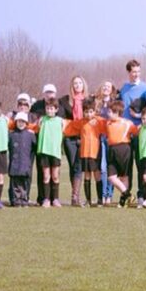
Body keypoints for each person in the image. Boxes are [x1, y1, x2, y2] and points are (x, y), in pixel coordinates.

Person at [63, 98, 106, 207]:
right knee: (87, 176)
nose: (88, 114)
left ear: (94, 111)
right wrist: (61, 122)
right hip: (84, 153)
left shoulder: (99, 121)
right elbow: (70, 126)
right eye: (86, 112)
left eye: (91, 111)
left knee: (97, 175)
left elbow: (108, 125)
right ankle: (88, 200)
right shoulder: (81, 122)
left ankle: (100, 200)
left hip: (95, 153)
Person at [119, 59, 146, 199]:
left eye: (138, 71)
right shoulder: (124, 88)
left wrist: (138, 116)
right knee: (126, 166)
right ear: (128, 72)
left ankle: (141, 195)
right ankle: (127, 194)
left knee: (140, 164)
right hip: (125, 133)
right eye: (133, 72)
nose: (136, 74)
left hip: (139, 132)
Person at [104, 100, 139, 208]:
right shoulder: (107, 123)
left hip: (124, 149)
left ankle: (123, 201)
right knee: (111, 177)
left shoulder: (127, 123)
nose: (108, 114)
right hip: (112, 150)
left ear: (117, 112)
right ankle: (128, 194)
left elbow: (136, 132)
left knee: (124, 177)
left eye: (110, 112)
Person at [59, 76, 87, 206]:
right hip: (70, 137)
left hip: (83, 137)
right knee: (72, 166)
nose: (77, 85)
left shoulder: (88, 100)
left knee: (78, 166)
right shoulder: (65, 101)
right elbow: (62, 118)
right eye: (75, 83)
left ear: (83, 84)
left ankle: (75, 197)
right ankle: (74, 196)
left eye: (79, 82)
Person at [8, 112, 36, 207]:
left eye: (23, 122)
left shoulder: (30, 135)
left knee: (24, 182)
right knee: (15, 182)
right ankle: (15, 200)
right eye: (19, 121)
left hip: (25, 163)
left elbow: (34, 149)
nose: (21, 123)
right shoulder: (11, 135)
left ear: (26, 123)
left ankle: (24, 199)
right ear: (16, 122)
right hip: (14, 163)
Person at [96, 81, 118, 205]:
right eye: (104, 86)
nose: (106, 88)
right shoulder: (97, 104)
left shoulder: (114, 104)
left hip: (112, 138)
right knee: (103, 168)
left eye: (108, 86)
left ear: (111, 89)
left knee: (111, 168)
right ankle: (103, 195)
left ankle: (109, 195)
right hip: (101, 138)